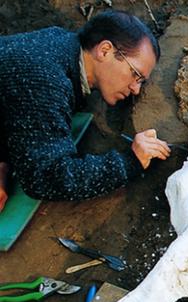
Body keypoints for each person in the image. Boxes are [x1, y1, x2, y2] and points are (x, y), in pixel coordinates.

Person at [0, 10, 171, 213]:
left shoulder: (61, 47)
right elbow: (46, 178)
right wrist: (130, 162)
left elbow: (13, 107)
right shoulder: (45, 78)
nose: (136, 89)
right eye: (135, 74)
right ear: (105, 50)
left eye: (141, 81)